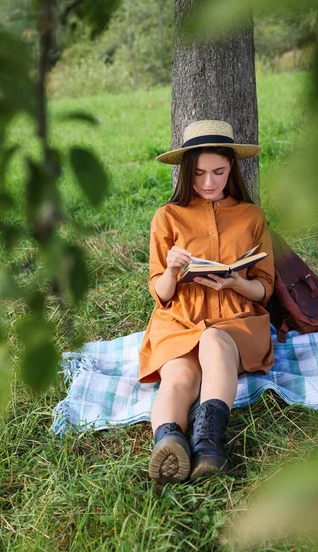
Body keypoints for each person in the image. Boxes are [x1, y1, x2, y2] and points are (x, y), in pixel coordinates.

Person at [139, 119, 275, 486]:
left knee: (215, 342)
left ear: (232, 169)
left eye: (218, 172)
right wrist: (170, 269)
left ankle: (208, 443)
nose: (209, 182)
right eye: (199, 174)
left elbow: (265, 288)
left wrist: (236, 281)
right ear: (187, 173)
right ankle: (168, 441)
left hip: (236, 319)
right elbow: (161, 293)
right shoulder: (167, 217)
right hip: (181, 318)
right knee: (180, 374)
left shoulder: (252, 217)